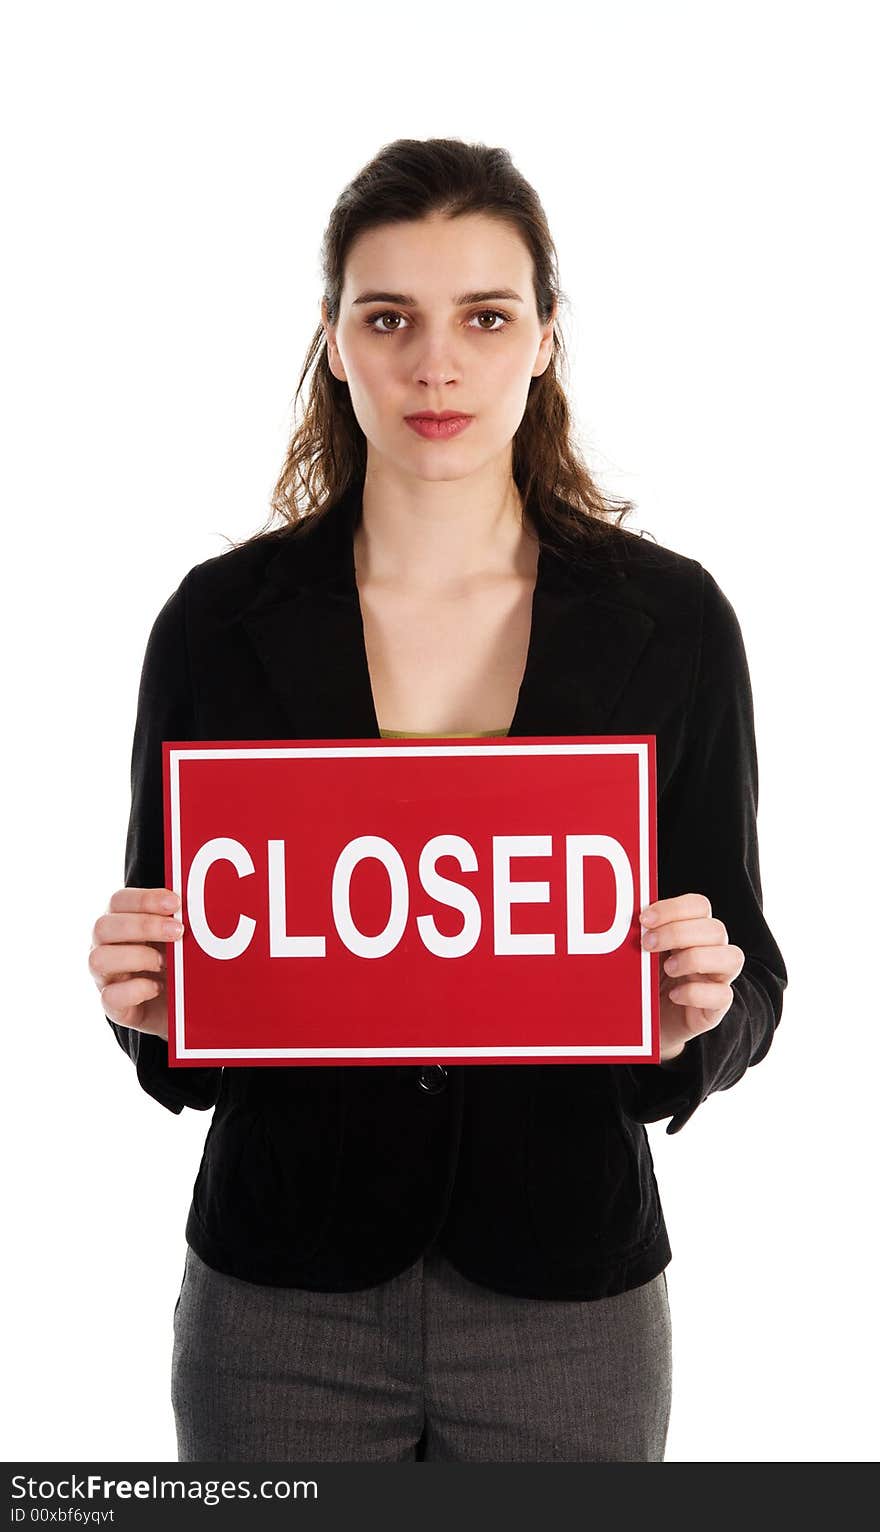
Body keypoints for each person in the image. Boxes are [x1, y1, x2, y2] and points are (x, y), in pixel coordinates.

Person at [88, 137, 787, 1464]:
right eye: (389, 317)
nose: (435, 363)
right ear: (335, 341)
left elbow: (752, 981)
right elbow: (184, 1014)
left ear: (543, 341)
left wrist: (700, 1006)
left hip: (568, 1297)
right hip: (278, 1298)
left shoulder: (671, 623)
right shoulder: (218, 625)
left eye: (485, 316)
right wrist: (145, 1003)